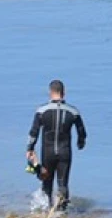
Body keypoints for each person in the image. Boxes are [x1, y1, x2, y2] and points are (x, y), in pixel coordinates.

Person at [27, 80, 86, 211]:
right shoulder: (73, 112)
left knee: (47, 183)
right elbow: (82, 132)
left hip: (47, 152)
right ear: (64, 93)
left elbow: (33, 132)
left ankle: (47, 211)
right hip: (65, 152)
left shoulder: (41, 111)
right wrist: (80, 142)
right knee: (63, 183)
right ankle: (62, 212)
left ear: (50, 93)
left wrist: (30, 149)